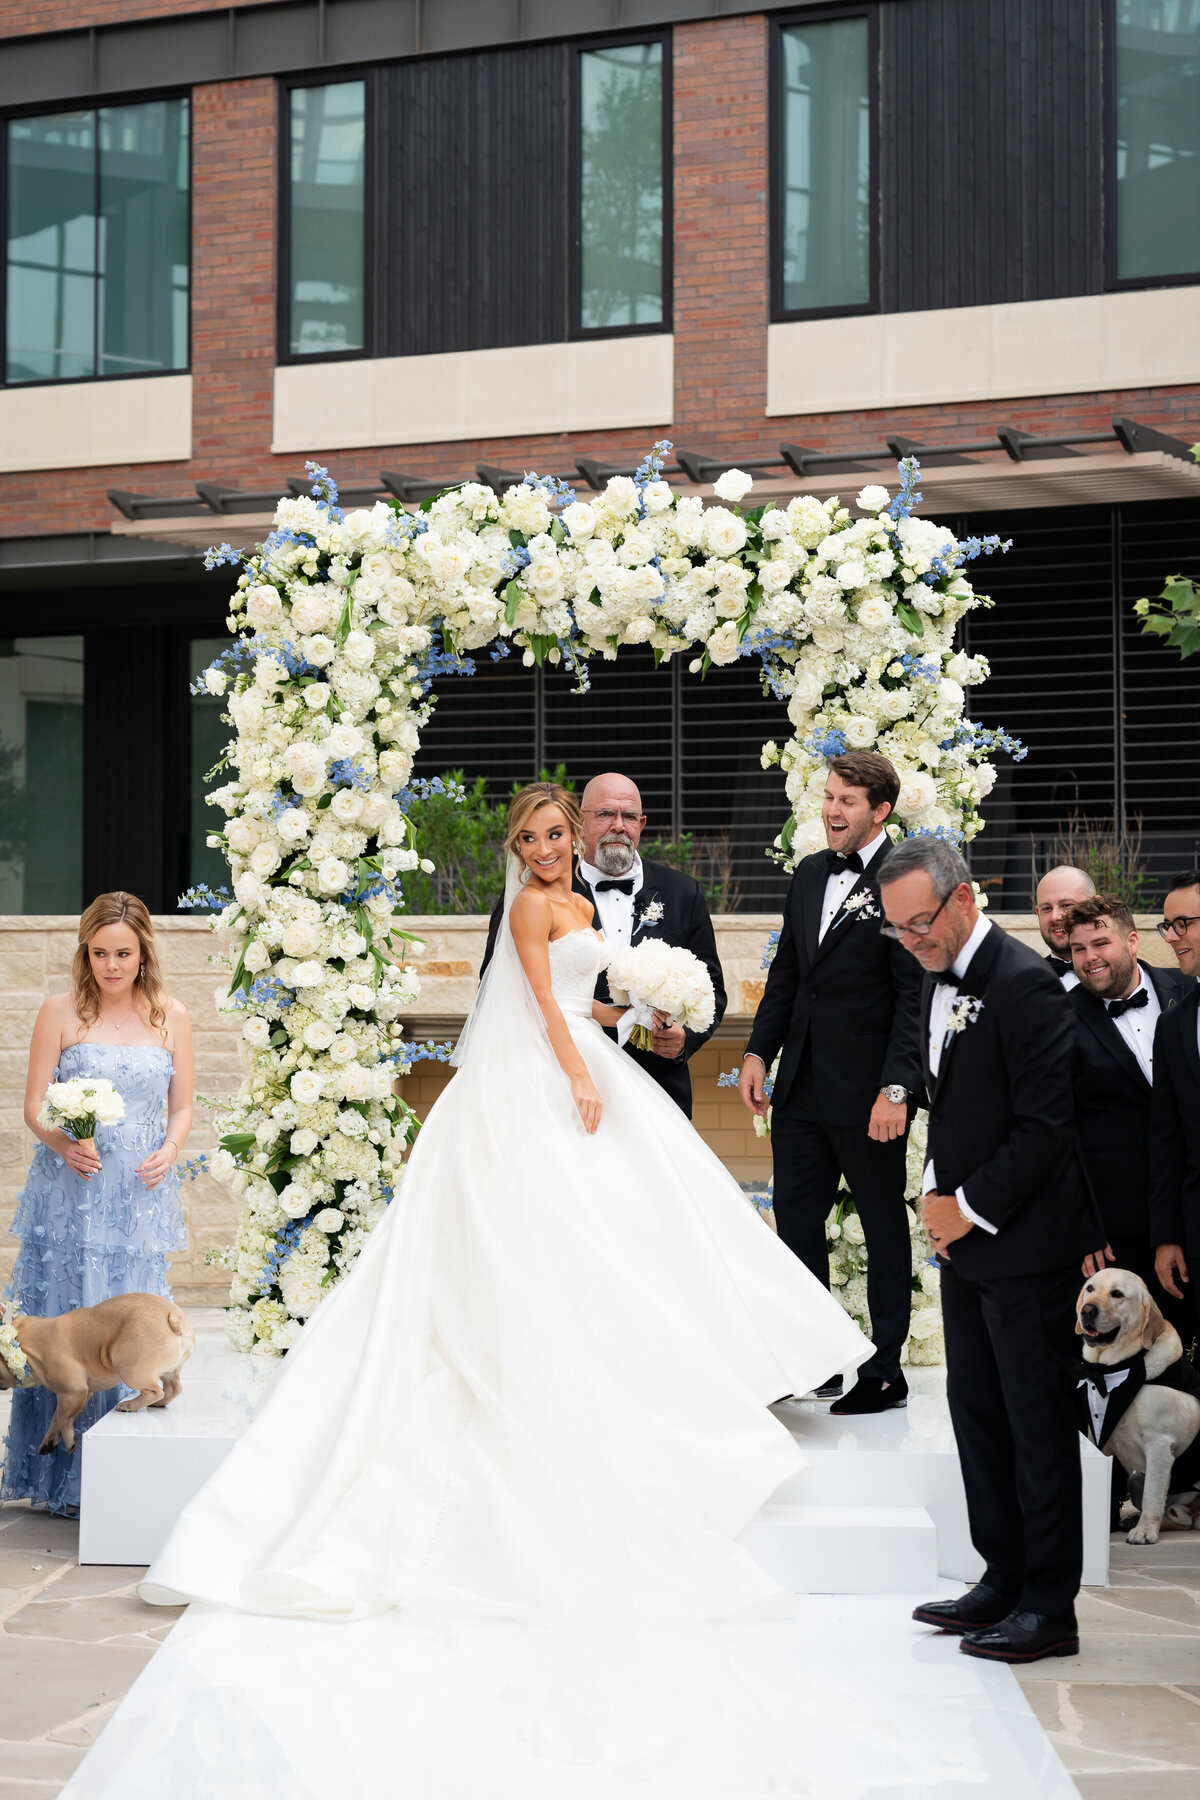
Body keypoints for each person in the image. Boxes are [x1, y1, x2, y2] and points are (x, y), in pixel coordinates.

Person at [139, 782, 870, 1623]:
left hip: (591, 1051)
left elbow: (588, 1002)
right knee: (563, 1215)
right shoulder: (528, 908)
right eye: (532, 837)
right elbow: (540, 1005)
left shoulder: (577, 898)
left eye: (557, 834)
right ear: (519, 846)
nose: (547, 848)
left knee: (658, 1210)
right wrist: (578, 1076)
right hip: (540, 1072)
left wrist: (642, 1003)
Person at [879, 837, 1094, 1666]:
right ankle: (1001, 1577)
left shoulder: (1027, 986)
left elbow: (1047, 1130)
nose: (912, 940)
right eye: (897, 930)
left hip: (1027, 1246)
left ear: (964, 899)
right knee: (977, 1417)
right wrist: (937, 1196)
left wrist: (966, 1208)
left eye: (920, 923)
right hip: (966, 1244)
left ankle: (1050, 1605)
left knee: (1036, 1427)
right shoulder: (934, 979)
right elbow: (952, 1110)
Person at [738, 752, 923, 1414]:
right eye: (829, 797)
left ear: (880, 811)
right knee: (797, 1224)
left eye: (847, 801)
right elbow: (789, 972)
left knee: (881, 1227)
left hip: (870, 1093)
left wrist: (896, 1088)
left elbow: (914, 996)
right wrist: (760, 1052)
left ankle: (885, 1367)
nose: (831, 810)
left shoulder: (908, 880)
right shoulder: (811, 873)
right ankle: (814, 1358)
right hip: (801, 1087)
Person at [3, 892, 192, 1516]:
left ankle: (120, 1491)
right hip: (69, 1189)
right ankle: (58, 1480)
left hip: (135, 1192)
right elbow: (34, 1106)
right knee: (62, 1318)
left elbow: (182, 1106)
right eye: (101, 952)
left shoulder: (171, 1016)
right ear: (86, 952)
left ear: (144, 954)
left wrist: (169, 1148)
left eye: (125, 954)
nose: (113, 965)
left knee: (128, 1324)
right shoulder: (60, 1012)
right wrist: (62, 1143)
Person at [482, 771, 725, 1116]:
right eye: (605, 814)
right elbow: (503, 983)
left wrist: (685, 1038)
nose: (618, 825)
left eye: (628, 816)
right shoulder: (529, 898)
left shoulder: (683, 892)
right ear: (580, 822)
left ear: (641, 824)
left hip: (659, 1082)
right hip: (563, 1076)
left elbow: (710, 986)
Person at [1066, 892, 1194, 1336]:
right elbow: (1056, 1135)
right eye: (1078, 949)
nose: (1089, 958)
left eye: (1100, 944)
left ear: (1133, 941)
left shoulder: (1188, 990)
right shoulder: (1058, 1021)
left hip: (1192, 1205)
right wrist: (1084, 1226)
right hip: (1118, 1228)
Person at [1150, 871, 1200, 1324]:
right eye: (1167, 926)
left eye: (1182, 923)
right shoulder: (1174, 1024)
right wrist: (1167, 1235)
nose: (1171, 937)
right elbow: (1167, 1137)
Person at [1034, 865, 1095, 987]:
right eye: (1046, 908)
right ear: (1038, 913)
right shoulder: (1027, 980)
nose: (1055, 916)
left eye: (1066, 905)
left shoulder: (1118, 975)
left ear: (1094, 905)